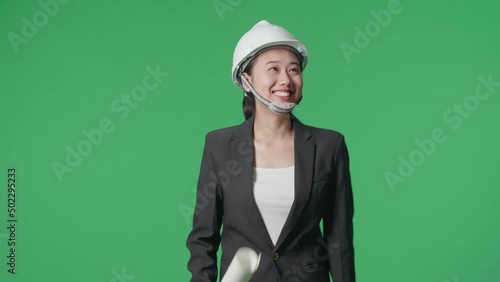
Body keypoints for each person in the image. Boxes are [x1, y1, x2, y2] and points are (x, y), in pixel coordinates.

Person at [186, 20, 355, 282]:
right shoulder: (218, 146)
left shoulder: (329, 146)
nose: (285, 80)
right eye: (273, 69)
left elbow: (339, 238)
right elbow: (202, 239)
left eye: (293, 70)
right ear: (246, 80)